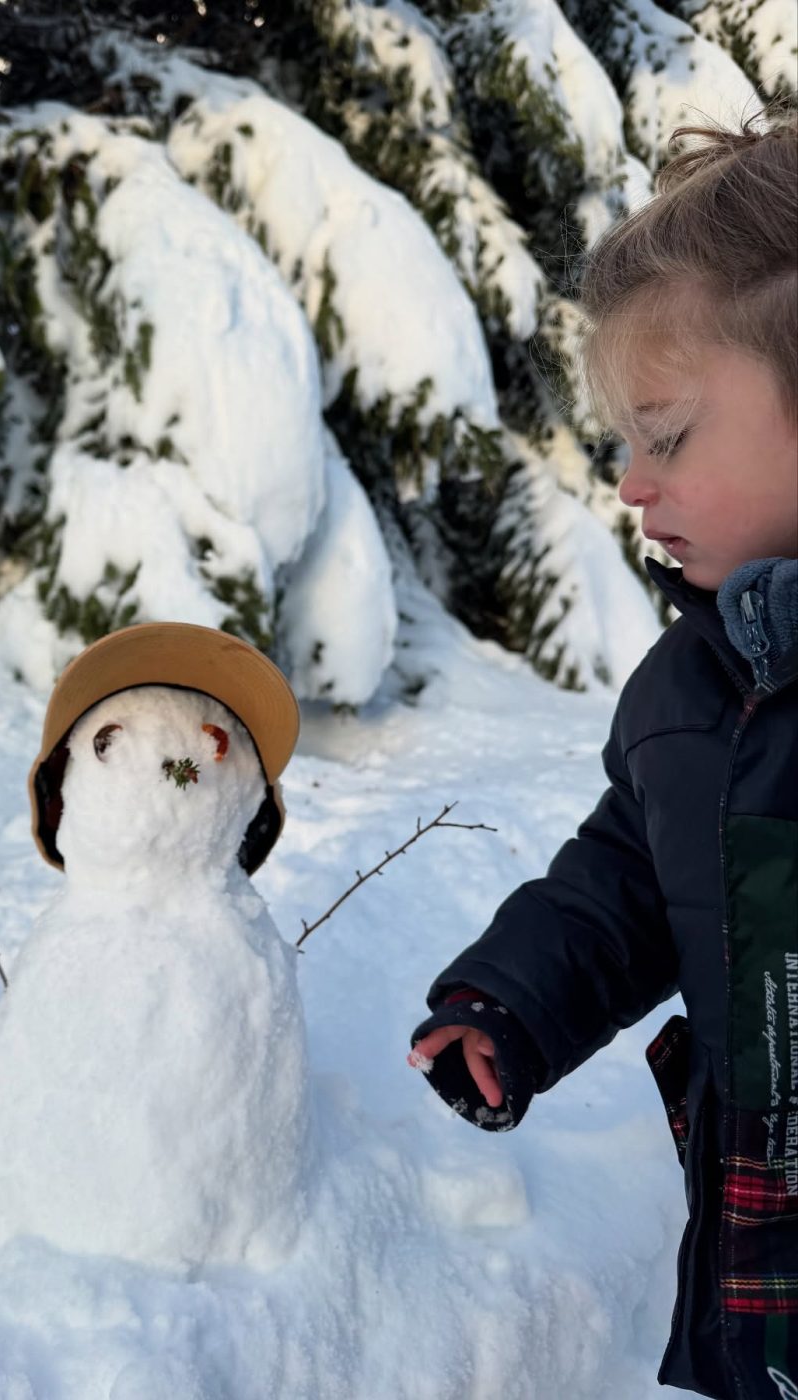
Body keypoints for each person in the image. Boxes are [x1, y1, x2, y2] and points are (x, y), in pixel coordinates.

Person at [408, 111, 798, 1400]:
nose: (631, 483)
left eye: (669, 437)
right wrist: (517, 1000)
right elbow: (632, 871)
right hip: (767, 1243)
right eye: (625, 444)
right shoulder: (690, 692)